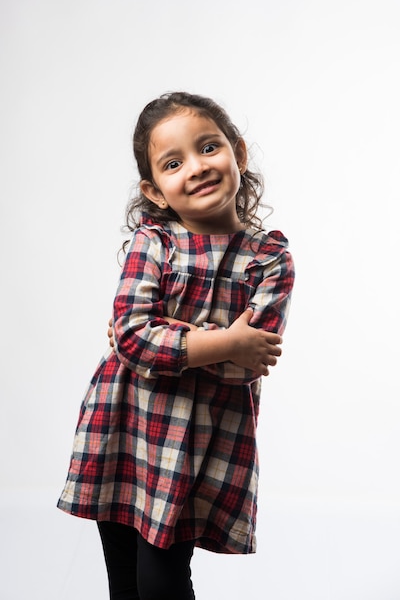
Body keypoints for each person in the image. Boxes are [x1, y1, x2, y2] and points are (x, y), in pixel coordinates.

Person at [57, 91, 295, 600]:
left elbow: (245, 367)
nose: (197, 167)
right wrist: (226, 338)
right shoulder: (153, 242)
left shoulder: (270, 259)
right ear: (156, 190)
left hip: (196, 444)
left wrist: (164, 332)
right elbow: (132, 338)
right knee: (123, 575)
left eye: (209, 148)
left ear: (239, 153)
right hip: (123, 426)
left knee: (161, 578)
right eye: (173, 162)